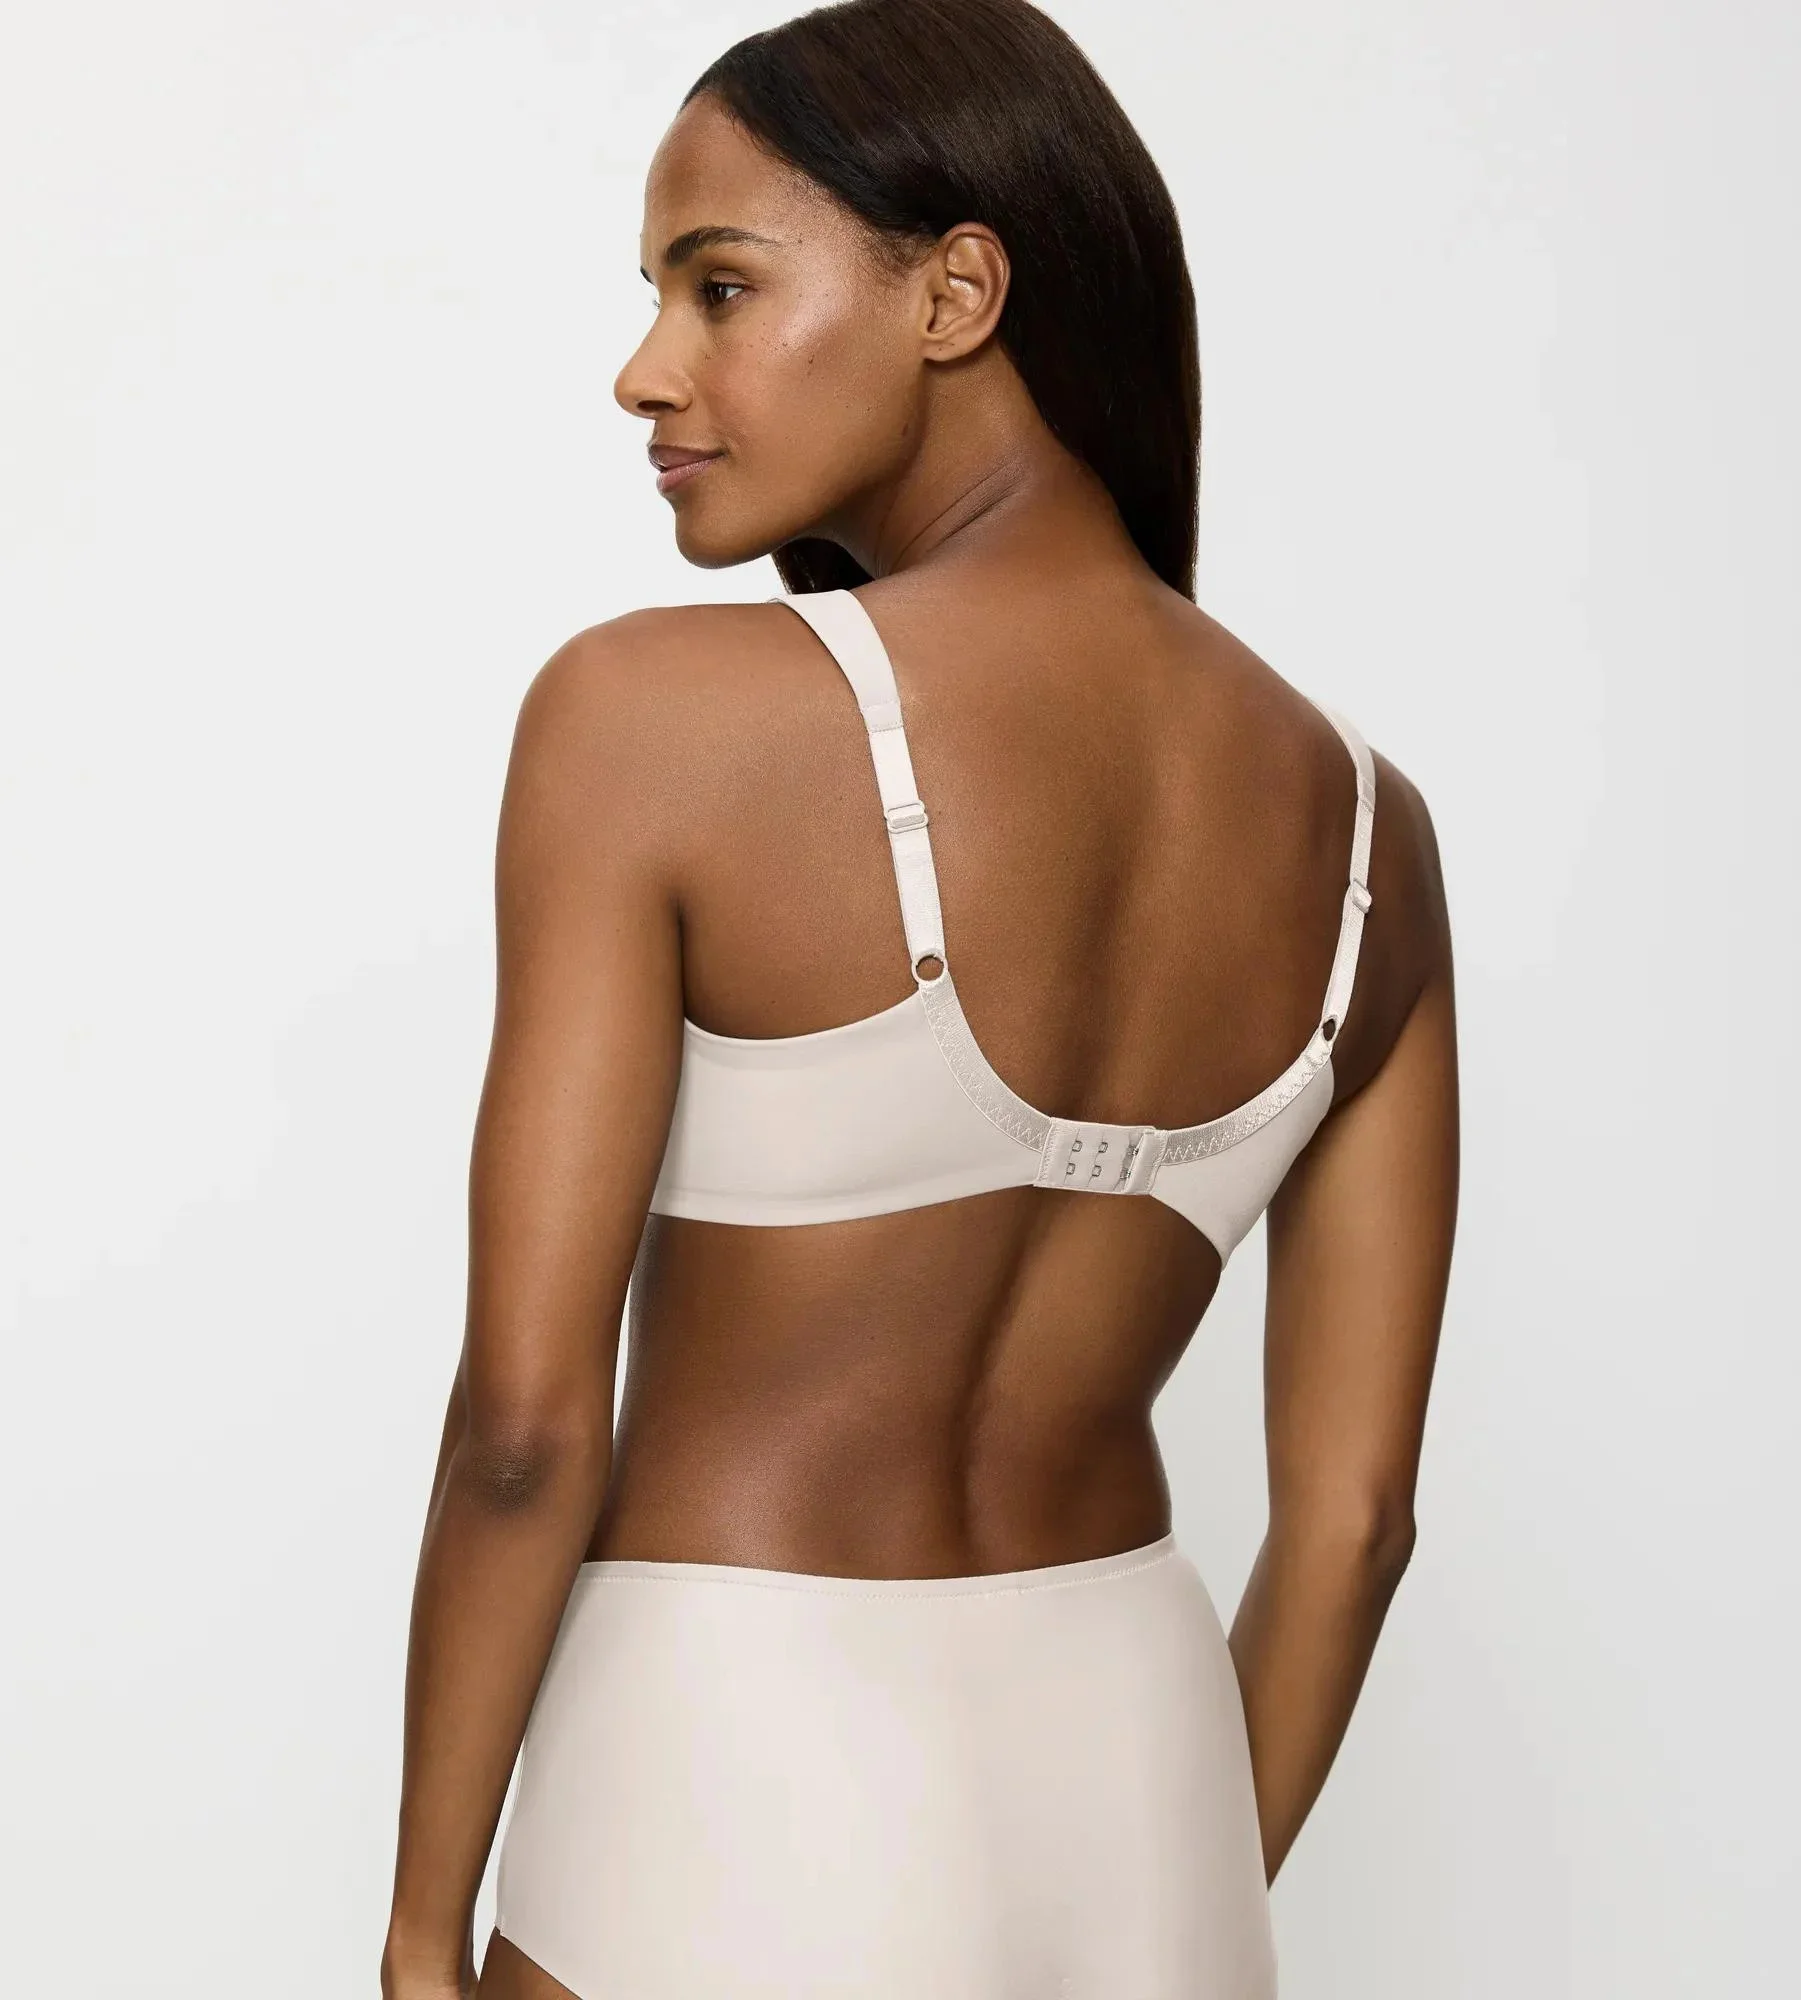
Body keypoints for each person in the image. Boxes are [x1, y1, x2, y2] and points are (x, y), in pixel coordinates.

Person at [381, 1, 1458, 1994]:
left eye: (717, 286)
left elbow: (526, 1426)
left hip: (730, 1762)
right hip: (1142, 1792)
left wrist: (421, 1934)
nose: (646, 369)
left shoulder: (651, 718)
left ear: (957, 293)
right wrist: (1186, 1888)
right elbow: (1355, 1525)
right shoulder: (1370, 833)